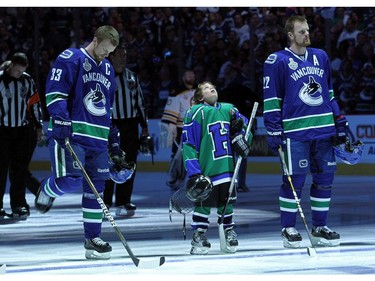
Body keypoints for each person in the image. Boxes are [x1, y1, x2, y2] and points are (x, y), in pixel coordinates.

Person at [34, 25, 121, 260]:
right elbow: (55, 92)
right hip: (72, 134)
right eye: (104, 49)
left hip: (98, 139)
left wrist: (113, 138)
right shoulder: (70, 57)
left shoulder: (108, 68)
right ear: (95, 40)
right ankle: (47, 188)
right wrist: (60, 118)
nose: (106, 55)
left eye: (110, 52)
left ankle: (92, 239)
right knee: (70, 181)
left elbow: (106, 106)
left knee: (96, 191)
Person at [263, 15, 349, 249]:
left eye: (308, 30)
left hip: (323, 131)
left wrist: (339, 119)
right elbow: (272, 98)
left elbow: (328, 92)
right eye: (302, 31)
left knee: (324, 180)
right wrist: (273, 129)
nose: (307, 34)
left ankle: (319, 227)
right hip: (295, 132)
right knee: (294, 181)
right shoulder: (276, 61)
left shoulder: (320, 56)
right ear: (290, 34)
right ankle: (288, 228)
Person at [182, 81, 252, 255]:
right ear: (199, 97)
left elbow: (247, 132)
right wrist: (194, 171)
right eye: (205, 88)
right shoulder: (195, 112)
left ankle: (228, 231)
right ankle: (199, 235)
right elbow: (189, 143)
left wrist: (239, 132)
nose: (211, 88)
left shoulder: (230, 109)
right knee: (203, 204)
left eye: (212, 86)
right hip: (207, 170)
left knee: (227, 203)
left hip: (227, 169)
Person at [103, 44, 149, 217]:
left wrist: (144, 127)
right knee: (109, 162)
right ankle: (105, 201)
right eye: (120, 55)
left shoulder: (132, 77)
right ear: (111, 57)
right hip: (110, 124)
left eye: (125, 55)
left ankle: (123, 201)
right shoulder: (104, 76)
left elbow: (140, 103)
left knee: (129, 162)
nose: (124, 58)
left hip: (130, 125)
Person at [0, 53, 44, 221]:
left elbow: (34, 104)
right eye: (17, 71)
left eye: (22, 71)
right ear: (11, 66)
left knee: (19, 170)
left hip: (22, 131)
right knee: (1, 169)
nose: (20, 74)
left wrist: (39, 126)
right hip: (2, 131)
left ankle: (19, 205)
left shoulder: (27, 80)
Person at [160, 69, 196, 190]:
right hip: (181, 128)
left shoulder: (200, 91)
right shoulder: (177, 92)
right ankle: (174, 178)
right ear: (183, 77)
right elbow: (171, 110)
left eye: (192, 75)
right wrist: (171, 126)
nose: (191, 76)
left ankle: (195, 180)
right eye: (188, 74)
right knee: (177, 155)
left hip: (196, 128)